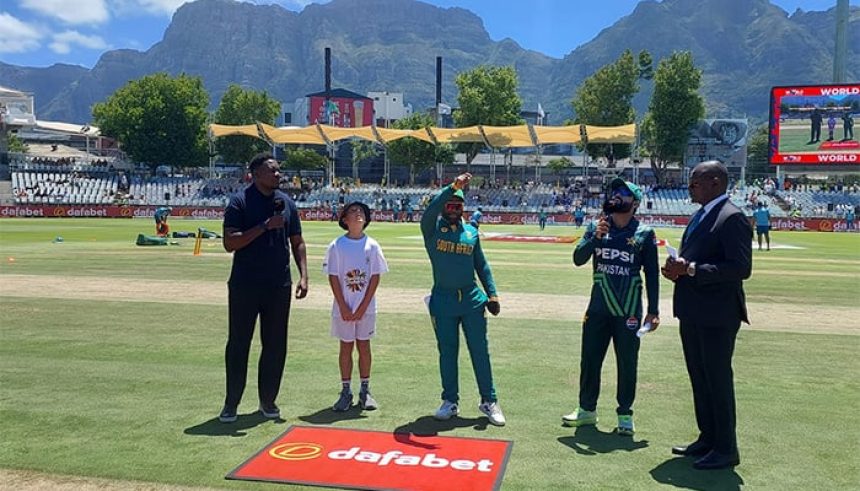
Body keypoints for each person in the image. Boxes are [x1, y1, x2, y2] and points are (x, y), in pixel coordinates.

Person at [661, 161, 752, 470]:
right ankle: (708, 438)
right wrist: (677, 269)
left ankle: (726, 448)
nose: (690, 187)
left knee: (717, 379)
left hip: (717, 314)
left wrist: (690, 269)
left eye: (695, 182)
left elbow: (740, 268)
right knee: (699, 377)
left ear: (715, 182)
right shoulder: (702, 214)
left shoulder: (732, 217)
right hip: (694, 310)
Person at [562, 179, 660, 436]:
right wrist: (595, 238)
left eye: (624, 193)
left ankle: (625, 415)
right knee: (590, 360)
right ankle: (586, 410)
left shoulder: (644, 234)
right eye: (615, 192)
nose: (617, 196)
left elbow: (652, 274)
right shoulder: (597, 226)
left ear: (635, 203)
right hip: (597, 309)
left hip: (628, 311)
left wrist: (654, 310)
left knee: (627, 362)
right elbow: (578, 259)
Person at [219, 153, 309, 423]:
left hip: (279, 285)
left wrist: (304, 276)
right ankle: (231, 403)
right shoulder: (240, 202)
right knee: (238, 344)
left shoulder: (287, 203)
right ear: (255, 174)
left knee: (275, 345)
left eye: (279, 171)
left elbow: (298, 241)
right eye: (272, 171)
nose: (278, 175)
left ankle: (268, 400)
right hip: (245, 285)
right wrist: (264, 226)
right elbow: (230, 242)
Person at [420, 173, 505, 426]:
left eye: (459, 205)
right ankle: (450, 401)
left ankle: (489, 400)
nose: (455, 210)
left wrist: (492, 293)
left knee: (480, 352)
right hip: (443, 301)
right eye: (450, 205)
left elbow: (482, 265)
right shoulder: (432, 231)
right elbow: (429, 211)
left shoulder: (471, 233)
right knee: (447, 352)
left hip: (471, 300)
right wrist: (452, 188)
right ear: (444, 206)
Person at [324, 201, 389, 412]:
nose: (358, 214)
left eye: (361, 211)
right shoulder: (336, 246)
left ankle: (365, 390)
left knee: (364, 346)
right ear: (344, 219)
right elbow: (333, 277)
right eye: (353, 211)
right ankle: (345, 391)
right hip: (344, 306)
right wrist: (343, 306)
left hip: (366, 307)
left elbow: (375, 277)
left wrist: (363, 306)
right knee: (346, 347)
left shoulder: (372, 245)